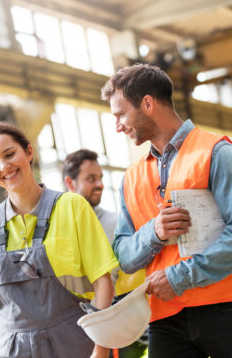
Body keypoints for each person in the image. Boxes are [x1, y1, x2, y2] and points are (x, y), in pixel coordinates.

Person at [101, 63, 232, 357]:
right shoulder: (130, 179)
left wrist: (179, 277)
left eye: (120, 114)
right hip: (165, 319)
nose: (117, 125)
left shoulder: (219, 154)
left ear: (147, 103)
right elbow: (124, 256)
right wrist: (154, 232)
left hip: (228, 309)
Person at [0, 121, 118, 358]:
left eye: (9, 154)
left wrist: (100, 352)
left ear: (28, 152)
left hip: (76, 347)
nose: (4, 167)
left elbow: (103, 282)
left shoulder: (72, 207)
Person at [62, 148, 147, 358]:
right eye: (90, 179)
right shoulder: (57, 227)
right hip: (68, 330)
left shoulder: (117, 224)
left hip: (112, 327)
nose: (99, 184)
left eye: (100, 178)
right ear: (70, 183)